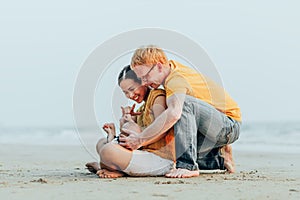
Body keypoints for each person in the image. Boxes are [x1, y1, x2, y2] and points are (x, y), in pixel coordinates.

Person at [119, 45, 242, 178]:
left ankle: (187, 166)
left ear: (159, 67)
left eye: (145, 77)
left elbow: (174, 113)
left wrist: (140, 140)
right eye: (141, 78)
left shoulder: (176, 79)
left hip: (228, 125)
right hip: (208, 129)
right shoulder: (169, 70)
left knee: (182, 104)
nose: (144, 82)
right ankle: (219, 159)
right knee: (170, 146)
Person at [86, 65, 176, 178]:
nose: (130, 95)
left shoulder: (158, 97)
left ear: (143, 81)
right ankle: (109, 159)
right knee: (101, 143)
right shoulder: (141, 110)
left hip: (161, 159)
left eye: (132, 89)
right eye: (125, 92)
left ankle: (105, 166)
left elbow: (162, 129)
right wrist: (126, 120)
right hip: (144, 154)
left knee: (107, 150)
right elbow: (130, 140)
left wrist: (131, 124)